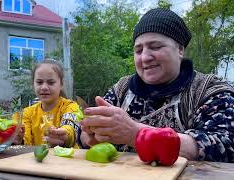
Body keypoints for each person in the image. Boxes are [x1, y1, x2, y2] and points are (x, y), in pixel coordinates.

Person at [78, 8, 234, 162]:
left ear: (180, 50)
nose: (145, 57)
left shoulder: (211, 90)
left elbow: (225, 145)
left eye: (155, 47)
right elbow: (84, 136)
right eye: (138, 50)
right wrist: (89, 135)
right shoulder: (121, 90)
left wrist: (137, 134)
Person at [15, 59, 80, 147]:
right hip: (37, 160)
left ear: (61, 84)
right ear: (33, 84)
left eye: (51, 82)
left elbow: (70, 127)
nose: (44, 87)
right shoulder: (27, 113)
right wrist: (18, 138)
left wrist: (64, 136)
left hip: (66, 159)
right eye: (39, 82)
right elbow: (26, 140)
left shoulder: (70, 106)